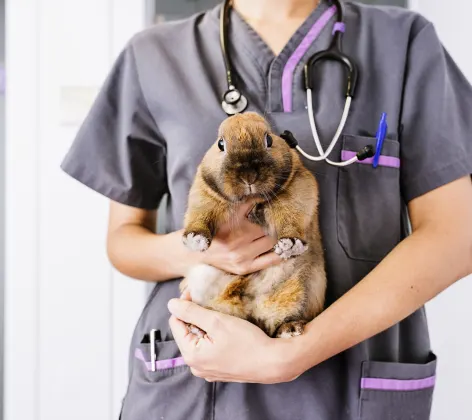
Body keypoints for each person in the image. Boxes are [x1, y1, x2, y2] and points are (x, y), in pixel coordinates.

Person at [60, 0, 472, 419]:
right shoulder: (154, 54)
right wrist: (200, 252)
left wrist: (295, 353)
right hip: (198, 380)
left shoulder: (402, 42)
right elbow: (123, 241)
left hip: (348, 380)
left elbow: (457, 236)